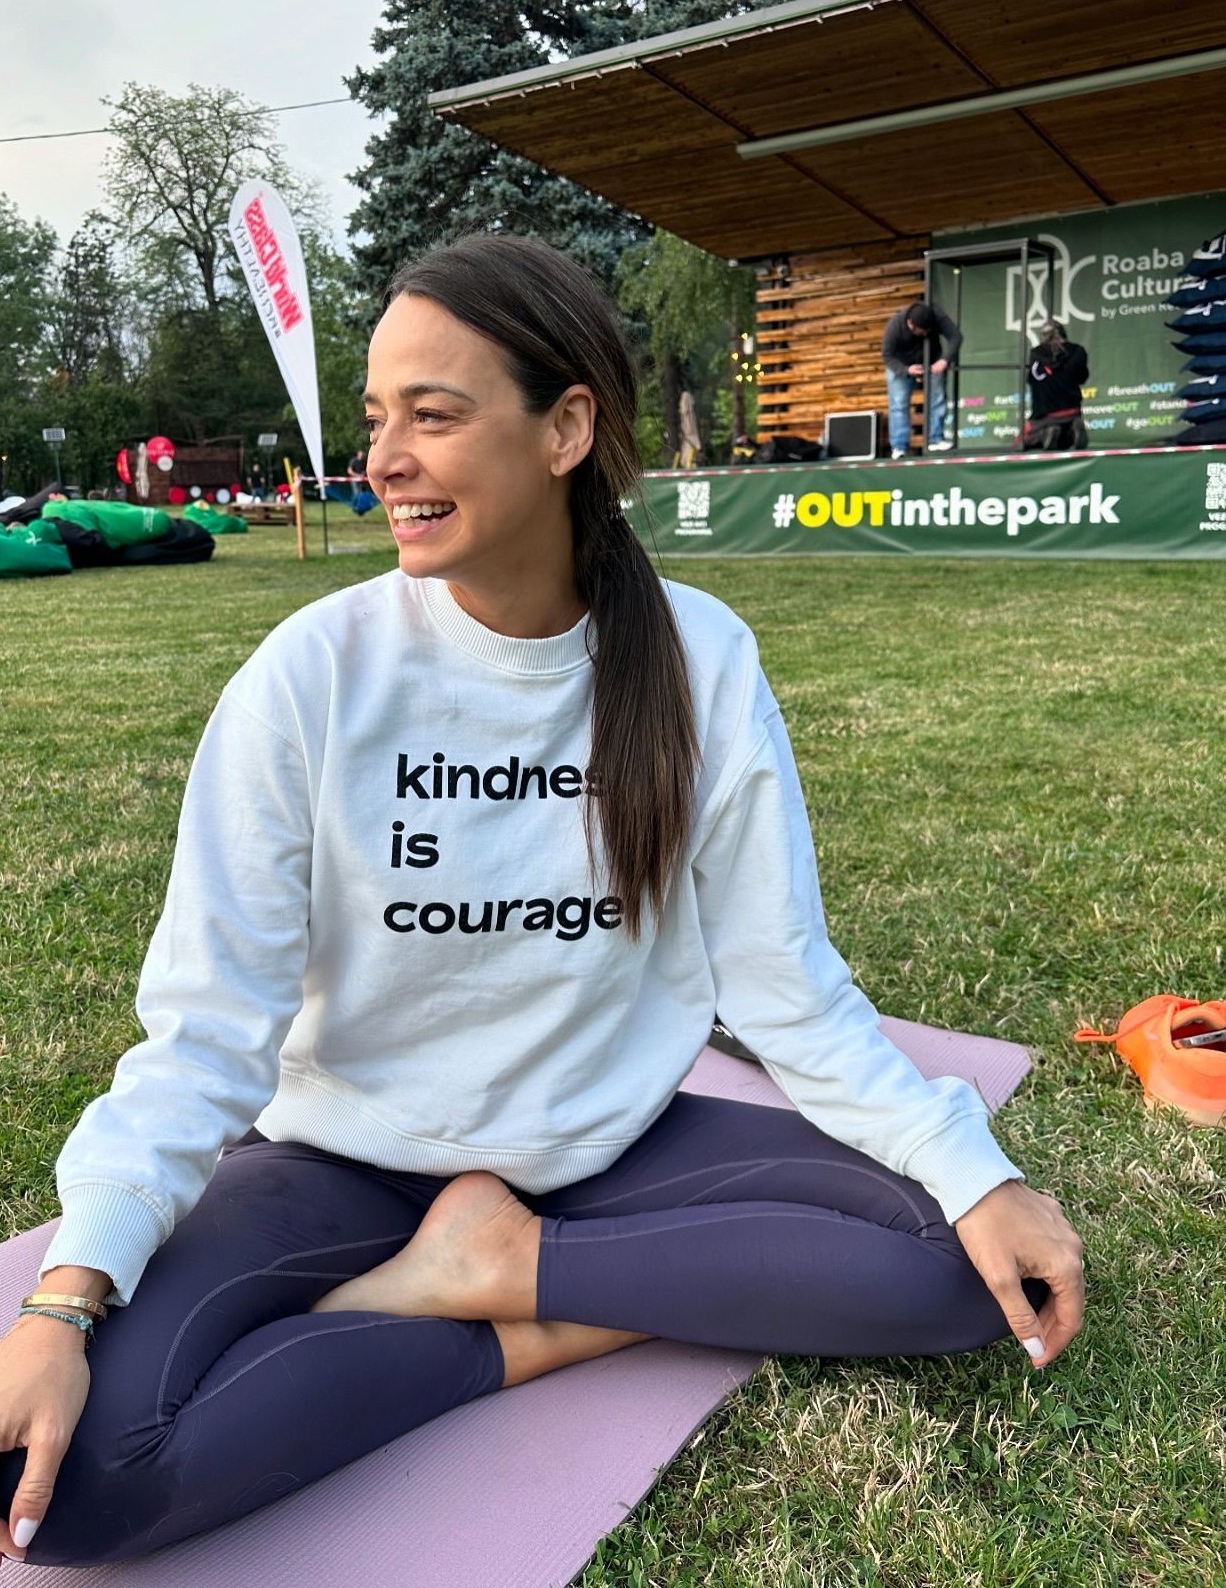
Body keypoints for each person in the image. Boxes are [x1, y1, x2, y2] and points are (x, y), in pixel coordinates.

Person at [0, 235, 1084, 1569]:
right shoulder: (311, 675)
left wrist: (978, 1172)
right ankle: (510, 1319)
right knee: (65, 1484)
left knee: (961, 1262)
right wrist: (62, 1306)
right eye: (377, 419)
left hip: (604, 1153)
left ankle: (504, 1273)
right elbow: (206, 1036)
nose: (383, 458)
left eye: (432, 415)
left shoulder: (697, 657)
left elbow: (786, 992)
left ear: (565, 428)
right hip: (343, 1162)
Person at [882, 300, 962, 458]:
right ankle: (899, 447)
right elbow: (887, 355)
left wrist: (944, 360)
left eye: (928, 331)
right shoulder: (894, 326)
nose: (925, 334)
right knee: (899, 404)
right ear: (910, 323)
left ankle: (936, 439)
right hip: (902, 364)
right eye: (921, 331)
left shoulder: (935, 315)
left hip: (932, 361)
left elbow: (956, 337)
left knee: (938, 399)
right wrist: (906, 370)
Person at [1022, 321, 1089, 450]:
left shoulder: (1035, 354)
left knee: (1024, 439)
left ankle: (1044, 434)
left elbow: (1030, 380)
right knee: (1062, 439)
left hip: (1044, 414)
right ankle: (1072, 432)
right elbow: (1082, 378)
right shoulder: (1078, 351)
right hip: (1073, 411)